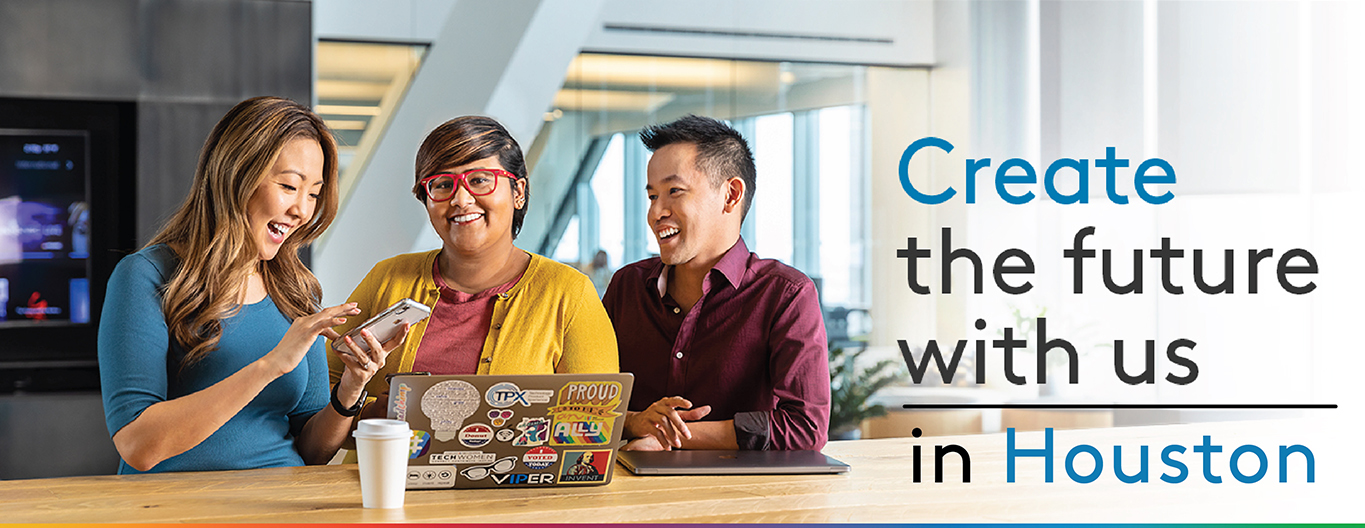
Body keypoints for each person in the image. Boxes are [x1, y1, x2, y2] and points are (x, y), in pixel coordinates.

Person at [98, 96, 406, 474]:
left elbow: (311, 451)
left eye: (313, 193)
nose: (303, 211)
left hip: (281, 505)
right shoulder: (147, 276)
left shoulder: (295, 290)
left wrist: (351, 389)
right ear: (235, 175)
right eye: (290, 187)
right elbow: (138, 445)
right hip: (173, 510)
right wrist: (270, 366)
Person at [330, 115, 618, 422]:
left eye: (479, 180)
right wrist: (376, 412)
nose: (461, 200)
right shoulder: (386, 279)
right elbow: (318, 411)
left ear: (518, 192)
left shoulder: (570, 294)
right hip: (383, 470)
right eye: (442, 185)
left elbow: (595, 426)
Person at [604, 115, 831, 452]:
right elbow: (584, 408)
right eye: (653, 197)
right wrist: (637, 422)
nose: (656, 213)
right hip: (628, 498)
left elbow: (806, 427)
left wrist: (671, 439)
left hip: (741, 501)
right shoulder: (628, 286)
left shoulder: (785, 295)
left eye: (674, 192)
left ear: (730, 195)